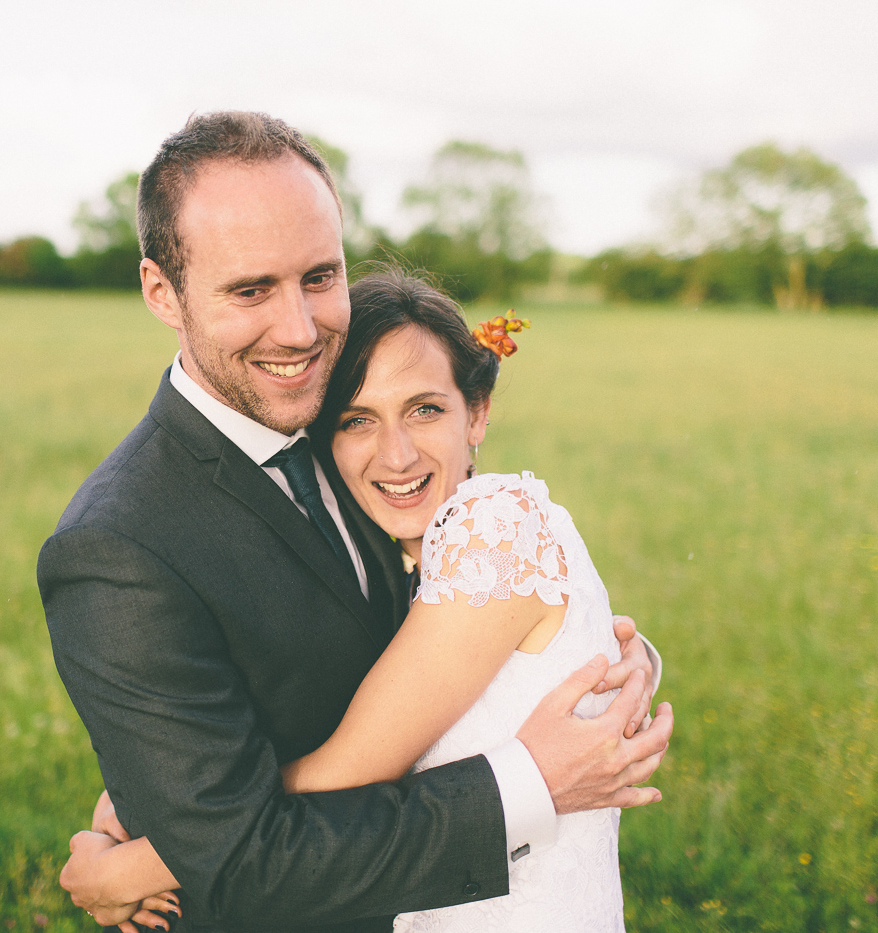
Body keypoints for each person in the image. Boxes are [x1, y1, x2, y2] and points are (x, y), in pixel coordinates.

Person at [39, 111, 673, 933]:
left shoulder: (340, 434)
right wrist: (139, 821)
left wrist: (606, 663)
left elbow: (406, 654)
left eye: (319, 276)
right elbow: (238, 848)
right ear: (162, 291)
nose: (300, 329)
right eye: (250, 288)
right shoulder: (116, 546)